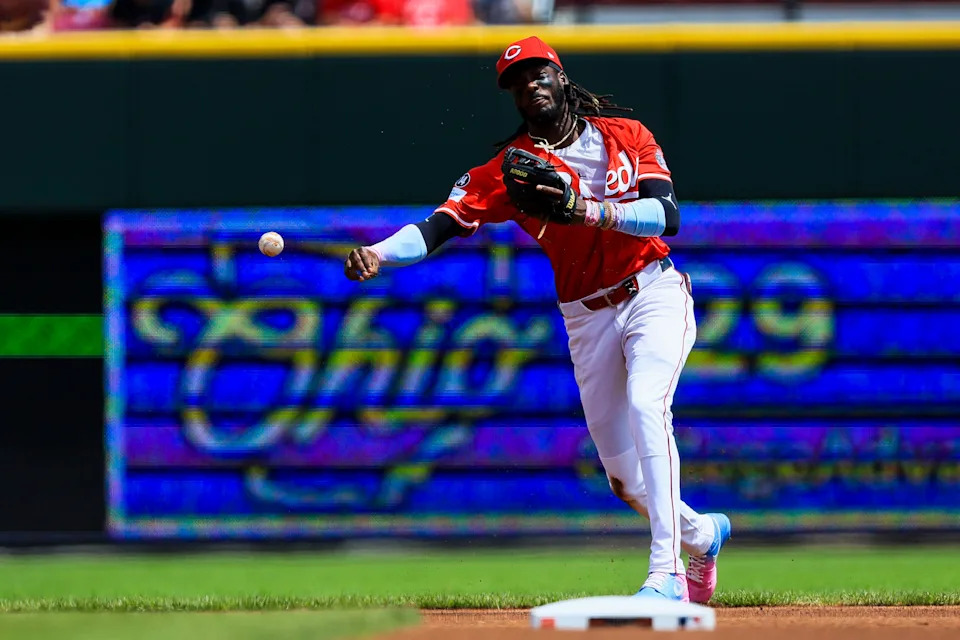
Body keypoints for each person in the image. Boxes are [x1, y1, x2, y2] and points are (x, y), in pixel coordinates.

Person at [343, 35, 731, 602]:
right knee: (625, 480)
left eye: (537, 72)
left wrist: (587, 210)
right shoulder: (511, 169)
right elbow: (438, 225)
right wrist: (378, 253)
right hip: (586, 316)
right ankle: (702, 536)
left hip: (653, 291)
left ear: (561, 77)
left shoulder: (627, 135)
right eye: (517, 82)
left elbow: (666, 216)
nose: (529, 85)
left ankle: (666, 574)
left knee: (649, 405)